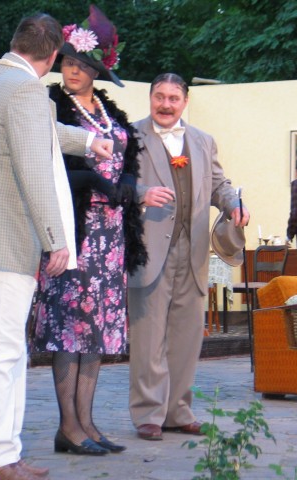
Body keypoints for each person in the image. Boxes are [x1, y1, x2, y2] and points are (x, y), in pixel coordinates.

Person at [0, 13, 114, 480]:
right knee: (1, 355)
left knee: (4, 352)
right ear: (54, 55)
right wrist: (55, 237)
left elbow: (37, 131)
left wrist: (87, 140)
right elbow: (32, 165)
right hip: (3, 238)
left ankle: (2, 455)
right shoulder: (24, 90)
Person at [33, 5, 168, 456]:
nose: (72, 70)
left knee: (97, 330)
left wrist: (126, 181)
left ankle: (87, 423)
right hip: (74, 231)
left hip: (111, 234)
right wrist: (94, 181)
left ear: (97, 71)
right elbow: (45, 167)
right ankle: (67, 427)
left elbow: (127, 156)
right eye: (68, 62)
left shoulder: (108, 110)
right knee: (70, 328)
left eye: (82, 64)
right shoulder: (51, 105)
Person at [128, 73, 250, 441]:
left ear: (185, 102)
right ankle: (148, 413)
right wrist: (141, 192)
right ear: (150, 98)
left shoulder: (203, 140)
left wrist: (234, 204)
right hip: (148, 248)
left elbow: (218, 185)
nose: (165, 105)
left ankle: (177, 411)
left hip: (193, 250)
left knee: (187, 336)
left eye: (173, 98)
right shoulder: (130, 136)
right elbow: (115, 182)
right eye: (159, 97)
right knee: (148, 337)